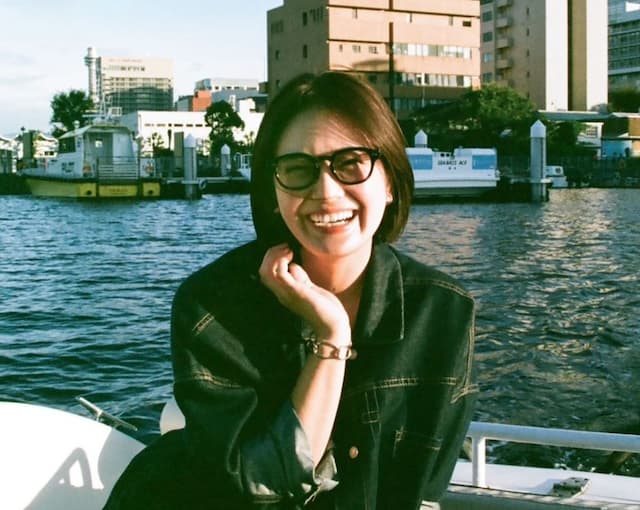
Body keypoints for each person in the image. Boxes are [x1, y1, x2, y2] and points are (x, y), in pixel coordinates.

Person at [104, 71, 477, 510]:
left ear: (391, 182)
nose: (327, 192)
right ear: (272, 192)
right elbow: (253, 488)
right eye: (298, 169)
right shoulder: (212, 305)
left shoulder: (442, 310)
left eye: (351, 163)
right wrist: (331, 338)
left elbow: (421, 486)